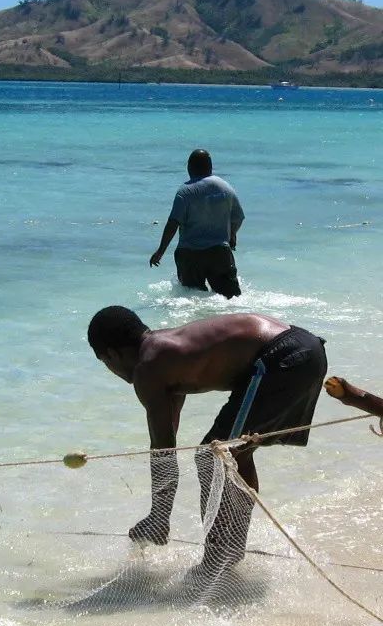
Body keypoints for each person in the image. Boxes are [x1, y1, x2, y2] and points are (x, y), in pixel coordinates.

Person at [87, 306, 327, 573]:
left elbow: (162, 452)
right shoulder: (163, 356)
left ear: (111, 355)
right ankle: (230, 551)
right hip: (301, 349)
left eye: (105, 363)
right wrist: (160, 515)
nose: (112, 371)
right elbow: (167, 445)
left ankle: (218, 560)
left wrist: (159, 517)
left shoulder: (148, 366)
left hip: (283, 357)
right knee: (233, 454)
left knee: (212, 457)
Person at [149, 149, 244, 298]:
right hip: (220, 253)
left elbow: (173, 223)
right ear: (210, 167)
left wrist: (160, 251)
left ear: (189, 167)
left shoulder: (185, 192)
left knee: (191, 298)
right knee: (229, 298)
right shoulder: (226, 188)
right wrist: (231, 235)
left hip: (190, 255)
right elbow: (238, 217)